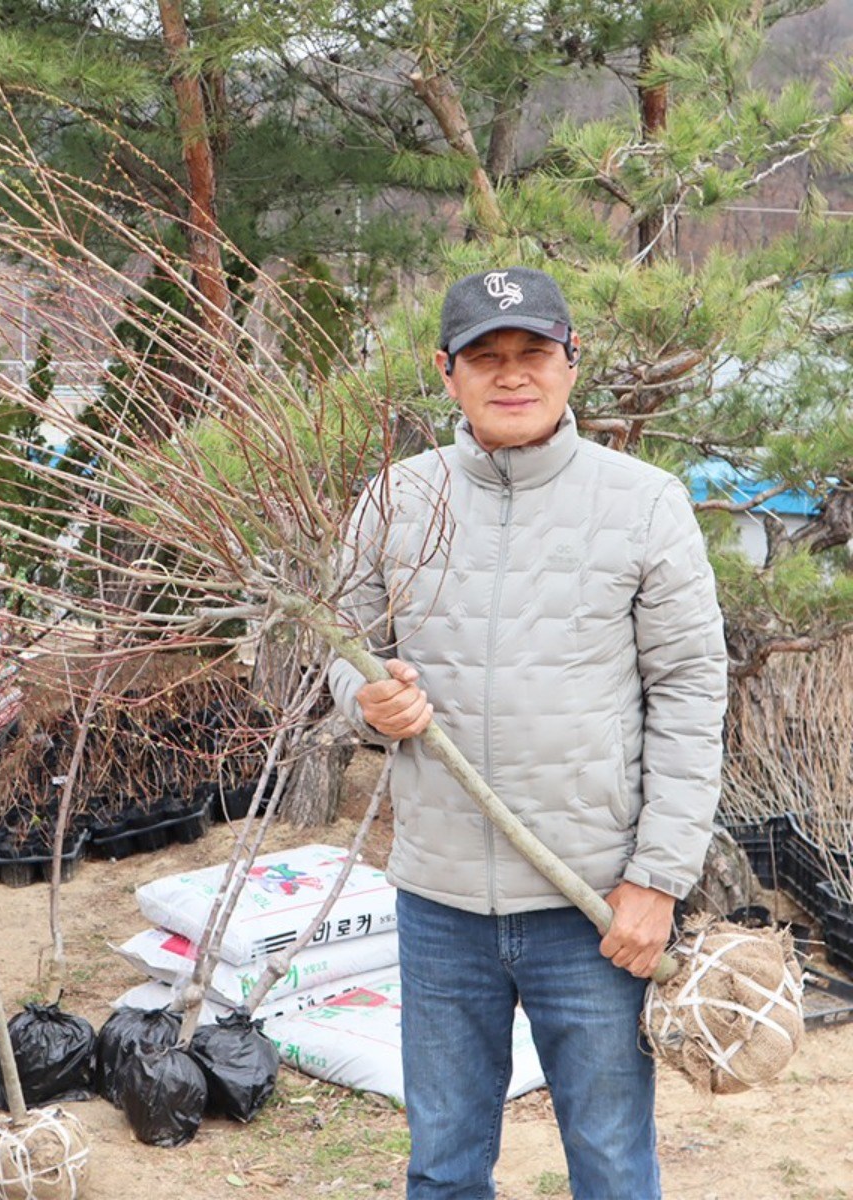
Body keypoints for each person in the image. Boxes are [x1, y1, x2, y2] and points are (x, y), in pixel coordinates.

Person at [327, 266, 728, 1200]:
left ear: (571, 361)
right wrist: (367, 699)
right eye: (485, 357)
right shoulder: (395, 499)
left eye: (534, 352)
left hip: (591, 905)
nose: (512, 375)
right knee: (443, 1167)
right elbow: (341, 644)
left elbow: (689, 693)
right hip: (440, 901)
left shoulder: (644, 503)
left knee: (613, 1166)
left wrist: (658, 880)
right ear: (447, 371)